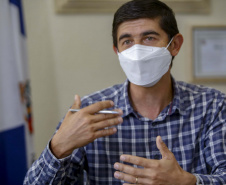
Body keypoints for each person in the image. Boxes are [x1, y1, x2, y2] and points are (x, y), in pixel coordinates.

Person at [24, 0, 226, 184]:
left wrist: (187, 182)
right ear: (117, 52)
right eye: (127, 41)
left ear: (174, 45)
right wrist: (59, 147)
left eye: (149, 38)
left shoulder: (213, 105)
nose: (137, 51)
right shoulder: (89, 113)